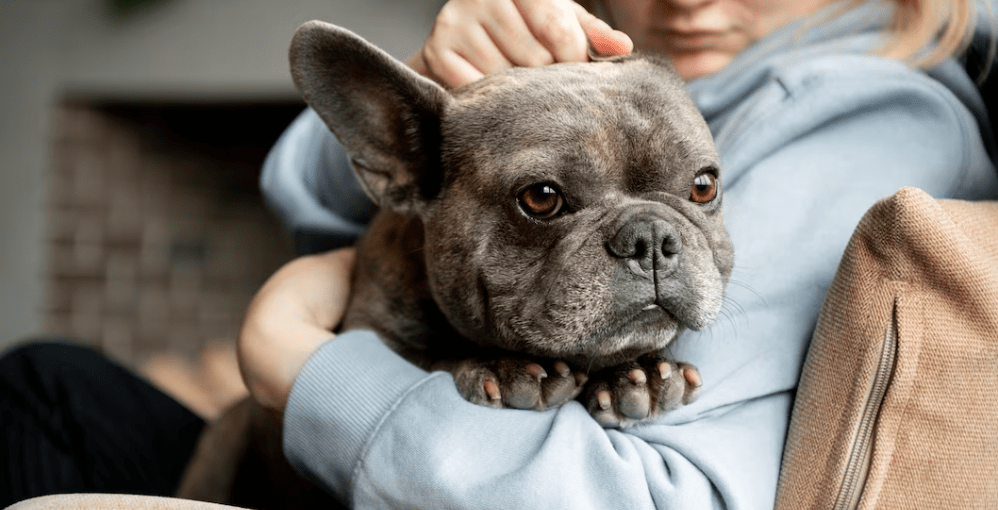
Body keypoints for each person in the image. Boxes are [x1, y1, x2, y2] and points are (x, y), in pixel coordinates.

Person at [0, 0, 994, 508]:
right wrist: (447, 92)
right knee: (51, 381)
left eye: (695, 191)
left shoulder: (848, 115)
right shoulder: (660, 68)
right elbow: (355, 208)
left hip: (398, 448)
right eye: (545, 197)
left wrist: (300, 365)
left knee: (45, 399)